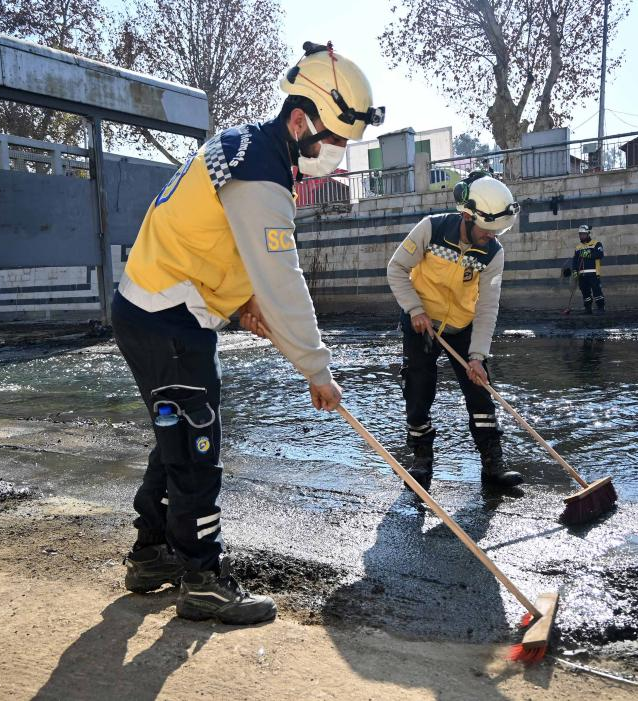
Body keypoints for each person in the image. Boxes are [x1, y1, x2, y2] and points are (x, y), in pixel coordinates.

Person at [111, 41, 384, 625]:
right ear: (298, 119)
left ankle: (150, 556)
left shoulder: (242, 147)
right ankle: (203, 580)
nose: (335, 156)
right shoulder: (261, 172)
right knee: (197, 451)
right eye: (332, 142)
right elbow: (283, 281)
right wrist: (316, 368)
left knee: (178, 438)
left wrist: (239, 307)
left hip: (155, 310)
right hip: (169, 321)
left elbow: (211, 243)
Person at [386, 172, 523, 492]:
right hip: (421, 324)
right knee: (418, 390)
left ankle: (492, 467)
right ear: (467, 216)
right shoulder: (431, 229)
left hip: (463, 327)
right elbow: (397, 269)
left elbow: (488, 307)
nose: (493, 236)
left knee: (481, 391)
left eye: (497, 231)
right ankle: (421, 460)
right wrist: (415, 309)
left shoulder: (493, 253)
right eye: (487, 230)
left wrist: (477, 356)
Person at [572, 224, 605, 314]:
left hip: (593, 273)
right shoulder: (578, 247)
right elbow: (575, 260)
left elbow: (599, 255)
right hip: (582, 274)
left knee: (596, 291)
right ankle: (588, 309)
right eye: (580, 234)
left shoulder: (596, 244)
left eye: (583, 234)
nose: (581, 236)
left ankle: (601, 308)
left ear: (588, 234)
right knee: (585, 293)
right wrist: (574, 271)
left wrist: (588, 254)